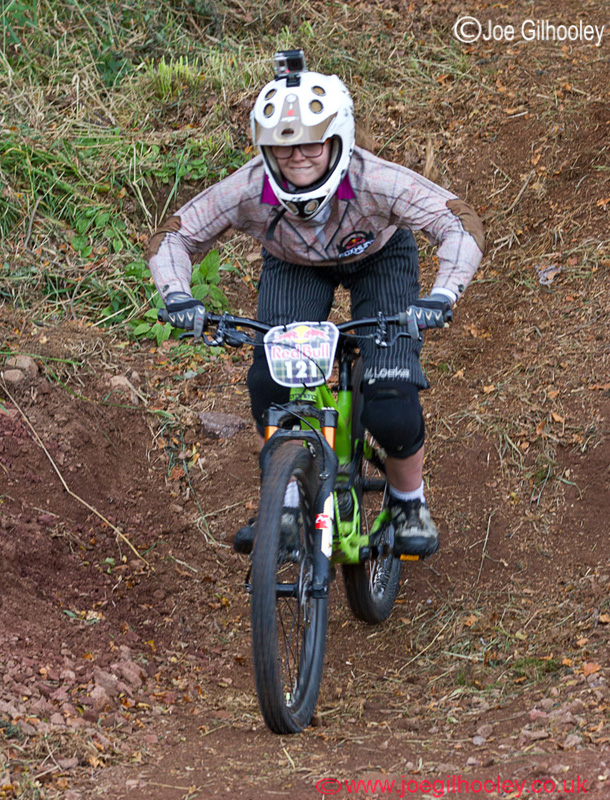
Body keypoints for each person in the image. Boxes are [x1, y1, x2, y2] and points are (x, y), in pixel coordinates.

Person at [147, 50, 485, 558]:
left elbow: (457, 220)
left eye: (312, 144)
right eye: (283, 149)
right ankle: (282, 502)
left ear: (338, 140)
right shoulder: (251, 188)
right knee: (271, 380)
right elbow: (176, 234)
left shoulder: (374, 179)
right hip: (294, 266)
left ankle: (408, 500)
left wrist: (441, 294)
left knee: (391, 395)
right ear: (265, 151)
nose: (298, 157)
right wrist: (177, 295)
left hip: (380, 258)